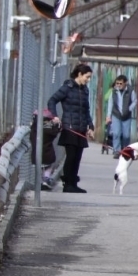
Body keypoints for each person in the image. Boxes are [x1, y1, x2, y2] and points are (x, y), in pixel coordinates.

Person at [47, 63, 96, 193]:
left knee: (77, 157)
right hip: (69, 128)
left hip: (81, 129)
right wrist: (54, 116)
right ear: (79, 74)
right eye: (87, 76)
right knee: (71, 156)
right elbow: (52, 100)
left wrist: (90, 126)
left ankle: (73, 183)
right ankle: (67, 184)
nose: (88, 80)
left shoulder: (85, 90)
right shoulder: (67, 87)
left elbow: (86, 110)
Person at [105, 74, 136, 153]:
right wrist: (108, 116)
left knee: (126, 135)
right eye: (117, 83)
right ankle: (117, 151)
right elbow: (110, 103)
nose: (118, 85)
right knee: (116, 134)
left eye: (120, 83)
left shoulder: (130, 90)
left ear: (125, 83)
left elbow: (135, 101)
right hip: (116, 115)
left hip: (126, 116)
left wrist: (129, 109)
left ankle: (125, 150)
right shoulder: (114, 91)